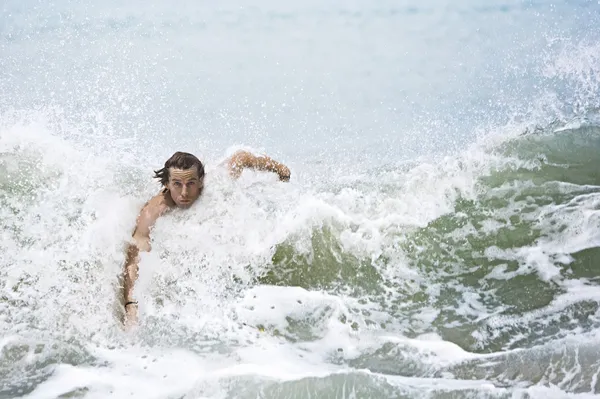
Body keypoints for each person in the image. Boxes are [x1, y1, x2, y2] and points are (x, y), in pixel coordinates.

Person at [122, 150, 291, 328]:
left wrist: (279, 169)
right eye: (177, 184)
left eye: (191, 183)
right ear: (167, 183)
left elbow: (242, 157)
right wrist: (131, 303)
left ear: (201, 181)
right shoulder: (154, 209)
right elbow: (135, 253)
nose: (185, 192)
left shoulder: (215, 184)